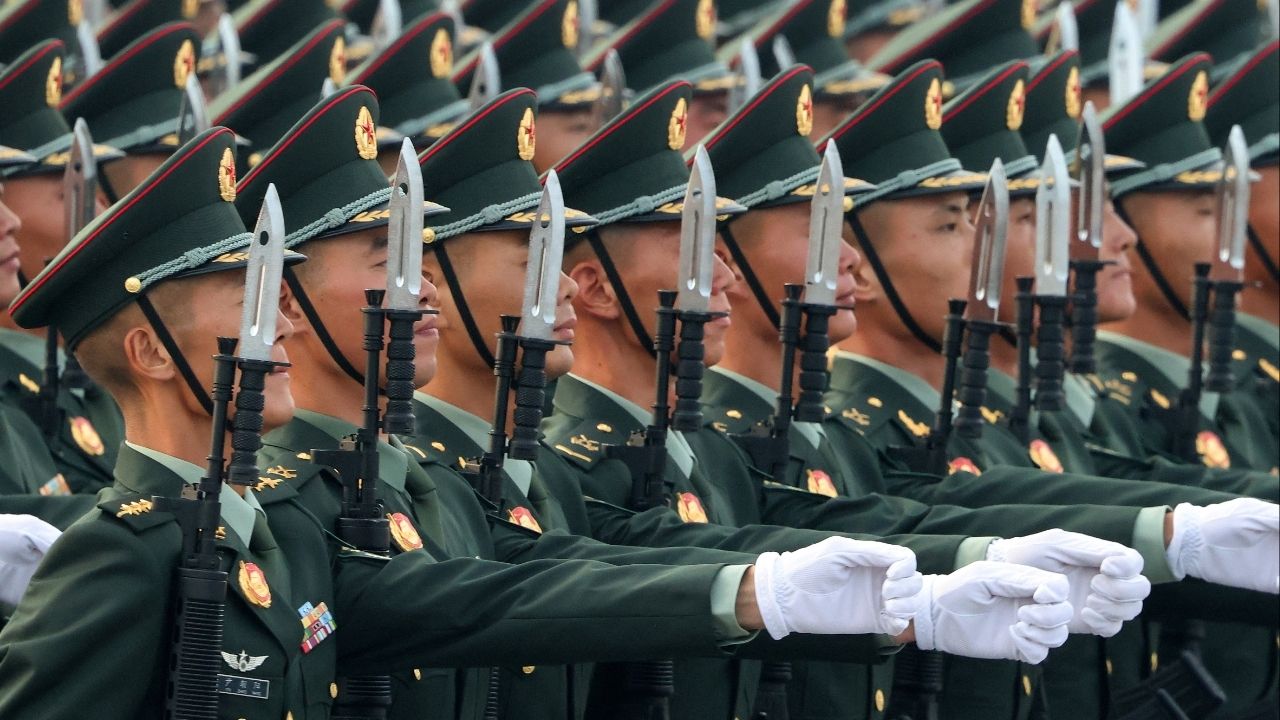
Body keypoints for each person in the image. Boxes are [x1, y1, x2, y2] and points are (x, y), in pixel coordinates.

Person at [0, 124, 1013, 720]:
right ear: (148, 354)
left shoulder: (301, 530)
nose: (280, 335)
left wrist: (767, 593)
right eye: (251, 311)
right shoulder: (125, 559)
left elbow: (510, 596)